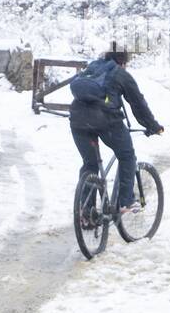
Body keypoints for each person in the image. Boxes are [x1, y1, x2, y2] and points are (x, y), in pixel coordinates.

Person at [70, 48, 164, 214]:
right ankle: (125, 201)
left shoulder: (92, 68)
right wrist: (153, 126)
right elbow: (138, 103)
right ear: (123, 62)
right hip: (105, 121)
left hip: (77, 120)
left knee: (90, 164)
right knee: (127, 155)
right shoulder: (121, 74)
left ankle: (86, 211)